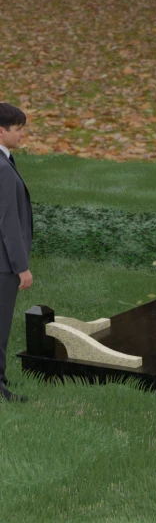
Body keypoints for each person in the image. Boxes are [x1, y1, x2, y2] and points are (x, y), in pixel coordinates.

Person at [0, 102, 32, 402]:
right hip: (3, 264)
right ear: (1, 131)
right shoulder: (3, 169)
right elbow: (8, 222)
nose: (23, 134)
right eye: (18, 129)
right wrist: (21, 266)